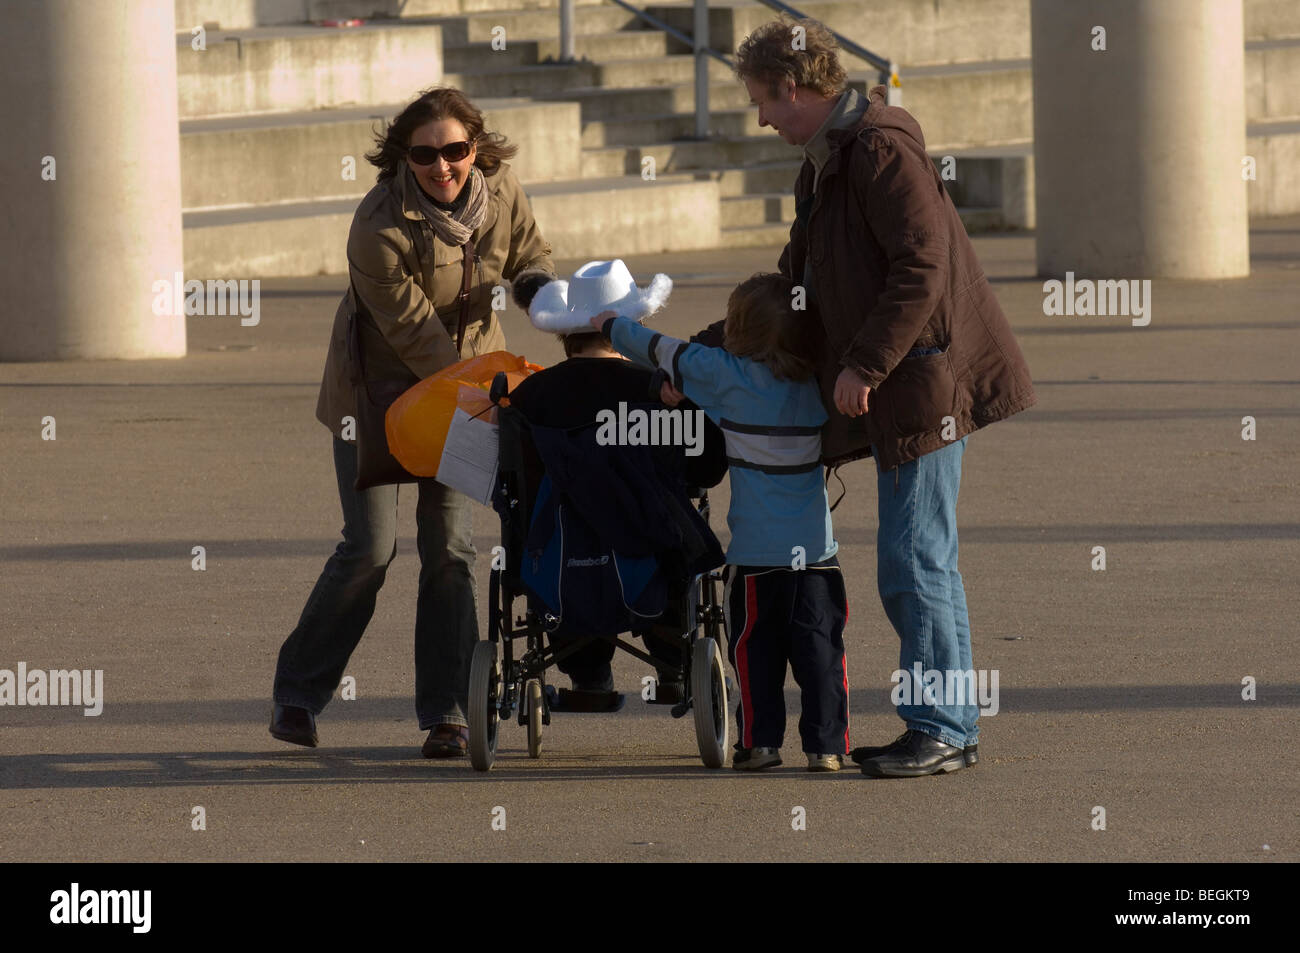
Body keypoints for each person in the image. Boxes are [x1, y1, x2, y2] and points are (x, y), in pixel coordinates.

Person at [672, 18, 1037, 777]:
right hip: (904, 382)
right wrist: (701, 353)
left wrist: (865, 366)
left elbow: (922, 266)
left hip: (923, 382)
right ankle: (950, 723)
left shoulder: (878, 149)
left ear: (796, 88)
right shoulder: (828, 161)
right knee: (921, 557)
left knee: (914, 559)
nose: (762, 117)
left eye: (764, 101)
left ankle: (940, 724)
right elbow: (785, 292)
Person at [270, 87, 556, 758]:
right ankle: (298, 693)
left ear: (476, 148)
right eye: (425, 154)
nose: (442, 166)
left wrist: (538, 288)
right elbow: (419, 339)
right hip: (376, 391)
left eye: (455, 150)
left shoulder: (503, 190)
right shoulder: (377, 225)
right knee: (370, 548)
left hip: (468, 388)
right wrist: (483, 393)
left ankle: (449, 713)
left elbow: (531, 253)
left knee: (449, 550)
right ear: (405, 155)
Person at [595, 271, 850, 772]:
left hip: (757, 559)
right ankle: (828, 747)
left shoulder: (724, 375)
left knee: (756, 653)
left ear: (738, 334)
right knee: (822, 654)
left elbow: (659, 348)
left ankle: (761, 743)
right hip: (818, 556)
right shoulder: (817, 382)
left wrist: (610, 326)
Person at [509, 261, 727, 709]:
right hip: (650, 546)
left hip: (560, 556)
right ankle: (673, 664)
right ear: (634, 327)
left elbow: (516, 482)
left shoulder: (530, 395)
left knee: (570, 538)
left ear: (565, 335)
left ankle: (588, 674)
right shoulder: (661, 390)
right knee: (668, 538)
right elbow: (707, 469)